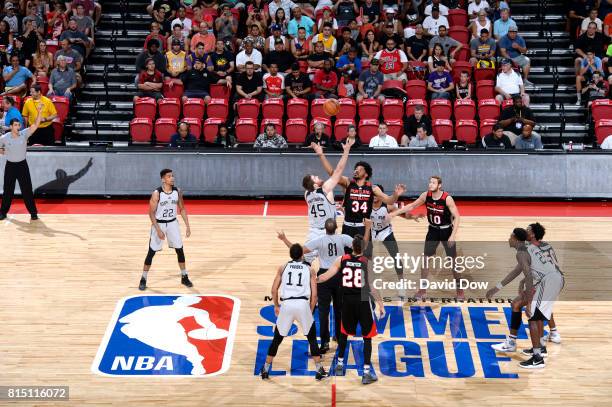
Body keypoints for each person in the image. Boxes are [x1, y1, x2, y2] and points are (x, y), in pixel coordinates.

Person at [317, 231, 385, 385]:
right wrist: (380, 305)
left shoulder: (342, 259)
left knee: (344, 333)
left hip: (346, 301)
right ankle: (366, 373)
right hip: (362, 302)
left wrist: (314, 280)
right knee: (367, 336)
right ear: (363, 248)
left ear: (352, 247)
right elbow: (373, 288)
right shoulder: (367, 262)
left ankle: (340, 365)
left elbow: (325, 276)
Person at [277, 219, 352, 353]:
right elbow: (361, 247)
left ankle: (324, 343)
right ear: (336, 228)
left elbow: (298, 251)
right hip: (340, 274)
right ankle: (340, 339)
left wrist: (284, 239)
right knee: (340, 309)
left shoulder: (320, 240)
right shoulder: (343, 238)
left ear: (325, 228)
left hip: (324, 276)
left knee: (323, 312)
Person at [259, 243, 328, 380]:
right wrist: (310, 309)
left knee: (277, 339)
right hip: (302, 303)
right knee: (312, 338)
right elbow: (314, 295)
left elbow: (274, 290)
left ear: (290, 255)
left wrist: (276, 306)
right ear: (302, 255)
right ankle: (319, 369)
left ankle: (266, 368)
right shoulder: (309, 269)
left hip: (287, 304)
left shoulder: (283, 267)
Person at [387, 175, 462, 299]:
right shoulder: (425, 195)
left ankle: (460, 291)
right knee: (426, 260)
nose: (430, 184)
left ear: (439, 185)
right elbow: (411, 206)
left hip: (446, 231)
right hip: (432, 230)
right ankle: (422, 290)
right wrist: (394, 213)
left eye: (433, 183)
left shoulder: (447, 198)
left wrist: (453, 235)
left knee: (453, 262)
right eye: (430, 182)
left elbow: (458, 216)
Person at [314, 143, 405, 236]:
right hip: (347, 226)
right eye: (355, 169)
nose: (356, 171)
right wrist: (321, 155)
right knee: (347, 251)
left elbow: (389, 200)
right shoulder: (348, 183)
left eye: (360, 169)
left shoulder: (373, 188)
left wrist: (396, 195)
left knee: (366, 250)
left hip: (363, 227)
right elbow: (332, 173)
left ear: (366, 174)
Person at [519, 223, 564, 368]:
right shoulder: (546, 245)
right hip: (557, 278)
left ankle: (537, 358)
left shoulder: (529, 249)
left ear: (532, 235)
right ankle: (541, 346)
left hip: (549, 281)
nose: (525, 231)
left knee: (532, 315)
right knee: (539, 313)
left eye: (528, 230)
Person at [139, 169, 192, 290]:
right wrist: (158, 229)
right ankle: (143, 278)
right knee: (151, 252)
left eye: (173, 176)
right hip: (160, 224)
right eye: (169, 176)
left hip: (173, 223)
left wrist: (187, 225)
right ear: (163, 179)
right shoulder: (157, 193)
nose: (172, 178)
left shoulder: (177, 191)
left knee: (180, 250)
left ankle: (184, 276)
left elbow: (182, 208)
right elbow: (151, 213)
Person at [0, 103, 44, 220]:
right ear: (10, 126)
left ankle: (33, 213)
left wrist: (39, 111)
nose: (18, 127)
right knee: (8, 190)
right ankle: (3, 212)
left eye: (19, 125)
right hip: (10, 166)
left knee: (27, 190)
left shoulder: (24, 134)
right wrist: (3, 152)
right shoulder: (4, 138)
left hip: (22, 166)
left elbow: (36, 124)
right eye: (15, 125)